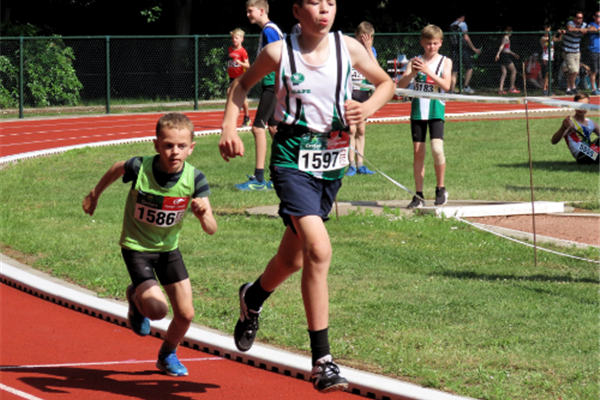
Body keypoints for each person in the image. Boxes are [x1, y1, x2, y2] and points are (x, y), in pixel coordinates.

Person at [219, 0, 394, 393]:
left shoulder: (348, 47)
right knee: (319, 249)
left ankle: (254, 295)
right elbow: (242, 85)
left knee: (293, 257)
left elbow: (387, 83)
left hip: (331, 164)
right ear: (297, 10)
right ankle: (323, 361)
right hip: (291, 159)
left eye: (330, 3)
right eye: (315, 3)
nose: (324, 10)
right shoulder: (278, 52)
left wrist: (365, 108)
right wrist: (230, 126)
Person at [82, 113, 218, 377]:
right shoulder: (139, 168)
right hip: (137, 248)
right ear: (156, 145)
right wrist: (94, 194)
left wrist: (204, 216)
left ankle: (167, 354)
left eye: (181, 146)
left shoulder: (195, 179)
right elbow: (115, 168)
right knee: (157, 310)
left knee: (186, 314)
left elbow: (211, 229)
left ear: (191, 148)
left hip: (168, 251)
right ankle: (136, 297)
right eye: (168, 145)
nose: (174, 152)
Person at [397, 25, 452, 208]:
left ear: (440, 44)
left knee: (437, 149)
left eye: (435, 43)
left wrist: (428, 72)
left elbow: (446, 86)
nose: (431, 47)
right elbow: (402, 85)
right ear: (422, 43)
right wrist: (412, 72)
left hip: (436, 109)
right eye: (428, 43)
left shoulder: (445, 61)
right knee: (418, 153)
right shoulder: (414, 61)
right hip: (418, 111)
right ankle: (418, 195)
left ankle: (441, 188)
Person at [236, 0, 283, 191]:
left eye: (250, 11)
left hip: (273, 85)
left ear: (261, 10)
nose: (248, 14)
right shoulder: (270, 30)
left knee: (258, 128)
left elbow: (277, 57)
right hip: (274, 84)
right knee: (273, 128)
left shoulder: (269, 31)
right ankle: (282, 173)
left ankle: (259, 178)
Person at [346, 21, 377, 176]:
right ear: (356, 37)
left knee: (361, 129)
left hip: (363, 93)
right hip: (350, 93)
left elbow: (376, 69)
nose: (363, 42)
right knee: (351, 128)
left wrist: (369, 48)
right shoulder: (348, 50)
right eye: (361, 39)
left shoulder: (371, 51)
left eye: (368, 39)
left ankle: (360, 164)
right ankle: (350, 163)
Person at [551, 93, 599, 164]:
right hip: (582, 155)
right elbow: (554, 141)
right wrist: (563, 128)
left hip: (593, 152)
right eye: (578, 105)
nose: (581, 108)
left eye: (584, 106)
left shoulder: (591, 123)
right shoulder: (570, 122)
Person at [448, 14, 480, 94]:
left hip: (454, 49)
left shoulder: (452, 25)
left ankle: (452, 90)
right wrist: (474, 48)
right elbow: (466, 37)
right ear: (463, 17)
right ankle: (465, 86)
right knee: (469, 67)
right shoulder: (463, 24)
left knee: (454, 71)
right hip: (462, 49)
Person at [227, 28, 251, 128]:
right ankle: (236, 112)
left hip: (241, 77)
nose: (234, 40)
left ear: (242, 39)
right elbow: (230, 61)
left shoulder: (243, 52)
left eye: (236, 38)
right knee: (229, 93)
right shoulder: (230, 49)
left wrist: (239, 63)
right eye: (233, 38)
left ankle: (247, 116)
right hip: (232, 77)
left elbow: (248, 65)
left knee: (242, 97)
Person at [563, 12, 588, 95]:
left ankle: (570, 88)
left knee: (575, 71)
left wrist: (586, 30)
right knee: (573, 70)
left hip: (577, 51)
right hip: (568, 51)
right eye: (578, 17)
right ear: (574, 18)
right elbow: (569, 28)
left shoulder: (584, 24)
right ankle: (571, 87)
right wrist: (580, 30)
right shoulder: (570, 23)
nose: (579, 19)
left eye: (581, 18)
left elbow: (591, 28)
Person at [494, 27, 520, 94]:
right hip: (505, 56)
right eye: (511, 31)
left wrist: (514, 54)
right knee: (514, 71)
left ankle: (501, 89)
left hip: (505, 55)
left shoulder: (506, 38)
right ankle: (511, 88)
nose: (511, 33)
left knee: (504, 73)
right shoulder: (506, 37)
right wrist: (498, 53)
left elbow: (507, 49)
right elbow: (502, 46)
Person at [540, 25, 565, 96]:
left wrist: (561, 34)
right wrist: (555, 33)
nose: (548, 32)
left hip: (551, 58)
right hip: (545, 58)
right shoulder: (543, 38)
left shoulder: (551, 38)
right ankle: (544, 89)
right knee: (547, 74)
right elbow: (549, 39)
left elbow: (558, 39)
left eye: (549, 31)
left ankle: (547, 89)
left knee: (549, 74)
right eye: (547, 31)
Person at [585, 11, 600, 95]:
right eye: (598, 16)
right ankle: (593, 89)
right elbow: (590, 29)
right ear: (594, 17)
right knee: (594, 71)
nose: (599, 18)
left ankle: (599, 88)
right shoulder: (591, 24)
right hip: (594, 50)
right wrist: (596, 29)